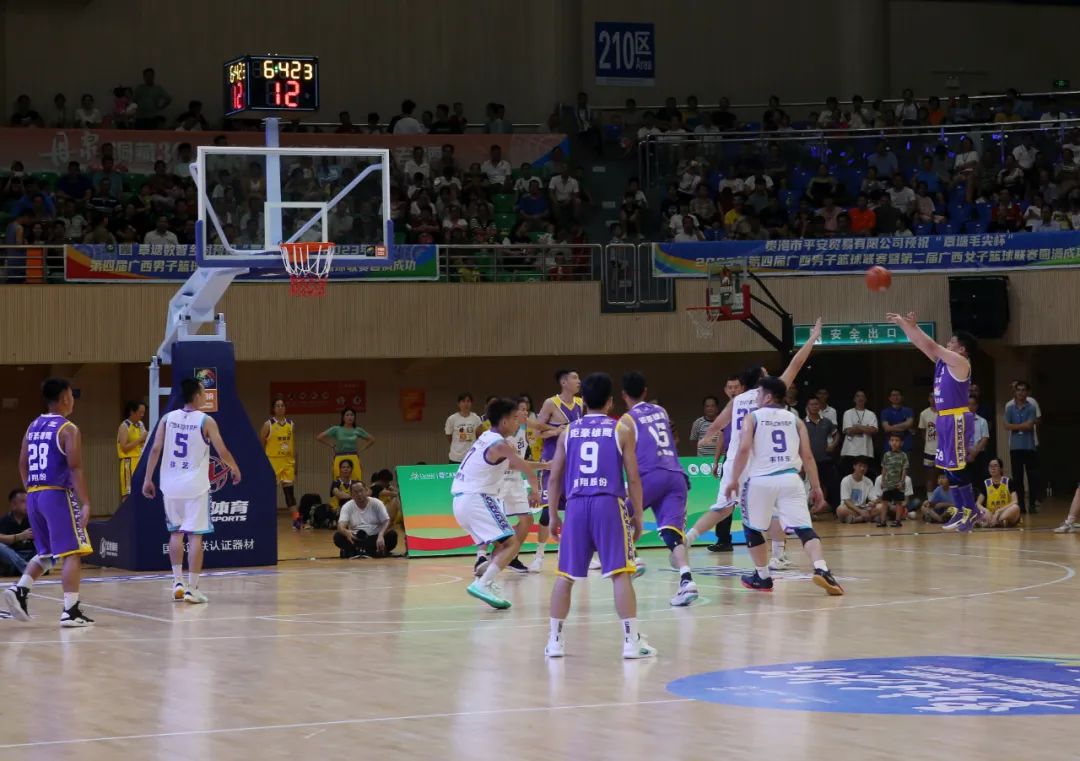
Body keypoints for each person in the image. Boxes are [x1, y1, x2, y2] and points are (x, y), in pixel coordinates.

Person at [685, 319, 823, 559]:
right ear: (762, 379)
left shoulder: (736, 400)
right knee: (774, 508)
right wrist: (812, 338)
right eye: (766, 373)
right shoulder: (769, 394)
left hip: (735, 459)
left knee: (723, 508)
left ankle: (687, 539)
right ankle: (778, 556)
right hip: (758, 460)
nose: (769, 374)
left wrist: (705, 438)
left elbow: (719, 423)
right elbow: (797, 363)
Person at [545, 373, 656, 659]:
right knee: (620, 574)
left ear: (583, 403)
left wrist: (554, 516)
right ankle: (631, 642)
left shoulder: (569, 432)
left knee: (565, 575)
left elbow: (554, 478)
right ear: (609, 402)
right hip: (609, 504)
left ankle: (554, 642)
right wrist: (639, 517)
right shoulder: (620, 430)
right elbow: (633, 478)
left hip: (576, 505)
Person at [723, 376, 844, 595]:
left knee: (751, 527)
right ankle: (822, 568)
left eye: (759, 393)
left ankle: (762, 576)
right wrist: (816, 487)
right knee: (804, 528)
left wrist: (733, 478)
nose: (757, 397)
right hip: (791, 479)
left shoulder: (753, 417)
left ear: (768, 396)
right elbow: (807, 456)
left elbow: (743, 450)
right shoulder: (795, 419)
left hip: (761, 480)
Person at [141, 378, 241, 604]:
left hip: (170, 485)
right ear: (196, 396)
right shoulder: (206, 420)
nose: (206, 395)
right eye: (203, 392)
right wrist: (234, 468)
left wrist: (148, 479)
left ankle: (177, 582)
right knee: (195, 535)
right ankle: (192, 588)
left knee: (175, 532)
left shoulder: (167, 419)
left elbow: (155, 448)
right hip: (194, 486)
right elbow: (221, 449)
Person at [3, 378, 94, 626]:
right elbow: (75, 469)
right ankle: (70, 610)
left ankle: (20, 589)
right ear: (65, 398)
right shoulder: (68, 429)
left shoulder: (33, 426)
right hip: (56, 494)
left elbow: (22, 463)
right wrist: (85, 502)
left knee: (47, 552)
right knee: (73, 552)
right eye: (71, 396)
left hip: (34, 494)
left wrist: (32, 491)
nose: (72, 400)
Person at [886, 312, 979, 531]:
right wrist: (905, 325)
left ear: (962, 349)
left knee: (957, 469)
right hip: (945, 418)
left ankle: (970, 511)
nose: (948, 343)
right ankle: (960, 511)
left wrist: (914, 326)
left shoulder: (961, 362)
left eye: (952, 342)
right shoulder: (943, 363)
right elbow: (922, 345)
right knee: (948, 470)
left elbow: (933, 346)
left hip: (956, 417)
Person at [451, 398, 540, 609]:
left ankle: (482, 578)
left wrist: (546, 465)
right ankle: (484, 583)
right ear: (505, 421)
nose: (519, 423)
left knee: (502, 545)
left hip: (461, 501)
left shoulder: (486, 438)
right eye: (515, 419)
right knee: (512, 543)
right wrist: (535, 490)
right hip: (477, 499)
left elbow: (516, 465)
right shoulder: (501, 444)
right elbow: (526, 469)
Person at [620, 371, 698, 607]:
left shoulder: (627, 419)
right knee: (671, 534)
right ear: (645, 391)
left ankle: (634, 559)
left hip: (649, 475)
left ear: (624, 395)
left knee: (618, 514)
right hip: (675, 474)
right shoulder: (661, 411)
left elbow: (626, 452)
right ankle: (686, 579)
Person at [477, 398, 545, 576]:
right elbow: (513, 464)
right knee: (496, 521)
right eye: (519, 411)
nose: (523, 413)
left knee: (527, 519)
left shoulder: (524, 428)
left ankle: (511, 555)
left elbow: (541, 428)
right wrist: (544, 467)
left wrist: (557, 430)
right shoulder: (499, 436)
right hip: (499, 480)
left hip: (515, 479)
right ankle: (482, 556)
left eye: (525, 410)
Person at [529, 369, 584, 572]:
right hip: (551, 462)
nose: (579, 381)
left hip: (573, 463)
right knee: (546, 513)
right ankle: (539, 556)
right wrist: (555, 431)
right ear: (563, 382)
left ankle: (568, 552)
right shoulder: (550, 403)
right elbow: (535, 434)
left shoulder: (580, 403)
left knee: (573, 509)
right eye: (575, 377)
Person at [260, 399, 298, 529]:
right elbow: (262, 444)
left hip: (287, 462)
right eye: (277, 405)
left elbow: (293, 445)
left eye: (282, 405)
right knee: (270, 493)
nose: (280, 407)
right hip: (273, 461)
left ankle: (296, 520)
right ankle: (267, 519)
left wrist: (295, 462)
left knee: (289, 493)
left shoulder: (291, 424)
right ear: (274, 409)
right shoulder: (268, 424)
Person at [1003, 380, 1040, 515]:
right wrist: (1021, 426)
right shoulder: (1009, 408)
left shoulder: (1031, 407)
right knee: (1017, 478)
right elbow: (1006, 426)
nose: (1020, 392)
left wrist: (1015, 426)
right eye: (1018, 390)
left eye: (1023, 390)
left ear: (1027, 392)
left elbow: (1030, 426)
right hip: (1015, 447)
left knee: (1032, 477)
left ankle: (1032, 505)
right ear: (1015, 392)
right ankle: (1021, 506)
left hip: (1029, 446)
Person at [334, 482, 397, 558]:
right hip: (356, 538)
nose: (359, 494)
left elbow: (387, 521)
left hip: (375, 537)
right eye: (356, 492)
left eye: (361, 491)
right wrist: (346, 532)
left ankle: (357, 551)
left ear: (367, 491)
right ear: (351, 494)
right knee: (338, 536)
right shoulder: (347, 506)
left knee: (392, 535)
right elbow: (341, 525)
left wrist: (381, 535)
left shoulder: (377, 503)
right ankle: (372, 551)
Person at [317, 408, 375, 480]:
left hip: (353, 457)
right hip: (339, 457)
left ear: (354, 417)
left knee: (356, 481)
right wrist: (331, 445)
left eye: (352, 415)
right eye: (347, 415)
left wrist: (360, 450)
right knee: (338, 481)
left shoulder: (358, 429)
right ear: (343, 417)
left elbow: (372, 440)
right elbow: (319, 437)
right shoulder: (336, 429)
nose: (350, 417)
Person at [875, 434, 909, 527]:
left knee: (898, 502)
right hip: (888, 484)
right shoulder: (887, 455)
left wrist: (902, 482)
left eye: (897, 440)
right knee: (885, 502)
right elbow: (884, 469)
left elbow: (904, 469)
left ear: (901, 443)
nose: (894, 442)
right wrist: (882, 480)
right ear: (889, 442)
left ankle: (898, 521)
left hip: (898, 484)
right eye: (892, 440)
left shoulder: (903, 455)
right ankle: (883, 521)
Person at [841, 391, 879, 474]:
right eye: (858, 396)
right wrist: (866, 428)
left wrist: (857, 426)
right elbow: (849, 431)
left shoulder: (871, 414)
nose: (860, 398)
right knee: (849, 476)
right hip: (850, 450)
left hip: (866, 450)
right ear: (854, 399)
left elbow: (874, 430)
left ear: (865, 400)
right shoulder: (848, 413)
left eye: (862, 396)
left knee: (864, 476)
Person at [977, 457, 1021, 528]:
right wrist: (986, 510)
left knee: (1016, 508)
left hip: (1004, 513)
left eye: (995, 466)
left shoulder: (1008, 482)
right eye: (990, 466)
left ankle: (995, 522)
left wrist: (999, 511)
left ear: (1001, 469)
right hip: (990, 515)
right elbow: (978, 503)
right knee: (974, 509)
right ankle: (998, 523)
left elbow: (1015, 501)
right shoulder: (986, 483)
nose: (993, 468)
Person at [116, 400, 147, 499]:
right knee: (128, 495)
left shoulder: (140, 424)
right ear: (132, 412)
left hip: (139, 461)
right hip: (128, 463)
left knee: (140, 493)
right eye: (140, 412)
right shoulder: (124, 426)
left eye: (143, 412)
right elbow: (124, 448)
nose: (142, 415)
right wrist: (140, 439)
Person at [0, 489, 34, 576]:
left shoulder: (33, 519)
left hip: (31, 556)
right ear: (13, 505)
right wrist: (20, 536)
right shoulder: (5, 521)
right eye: (23, 502)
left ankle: (31, 568)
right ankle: (27, 568)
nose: (27, 505)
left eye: (28, 501)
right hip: (13, 558)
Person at [445, 393, 482, 464]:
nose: (466, 404)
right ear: (458, 404)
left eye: (468, 401)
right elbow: (449, 436)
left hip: (471, 456)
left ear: (471, 403)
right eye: (463, 401)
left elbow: (479, 436)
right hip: (455, 457)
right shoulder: (452, 419)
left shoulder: (476, 418)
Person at [837, 458, 876, 523]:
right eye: (860, 466)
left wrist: (873, 502)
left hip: (863, 508)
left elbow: (873, 498)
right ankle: (865, 518)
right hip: (850, 508)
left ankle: (856, 519)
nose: (862, 468)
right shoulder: (846, 480)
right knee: (840, 509)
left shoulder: (868, 481)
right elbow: (847, 501)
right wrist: (860, 512)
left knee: (880, 507)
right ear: (854, 466)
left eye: (865, 467)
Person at [917, 393, 938, 497]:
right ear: (929, 399)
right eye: (931, 397)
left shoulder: (946, 412)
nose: (934, 399)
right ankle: (930, 500)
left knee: (944, 476)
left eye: (936, 396)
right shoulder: (924, 414)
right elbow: (923, 432)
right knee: (930, 476)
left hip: (944, 450)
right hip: (929, 450)